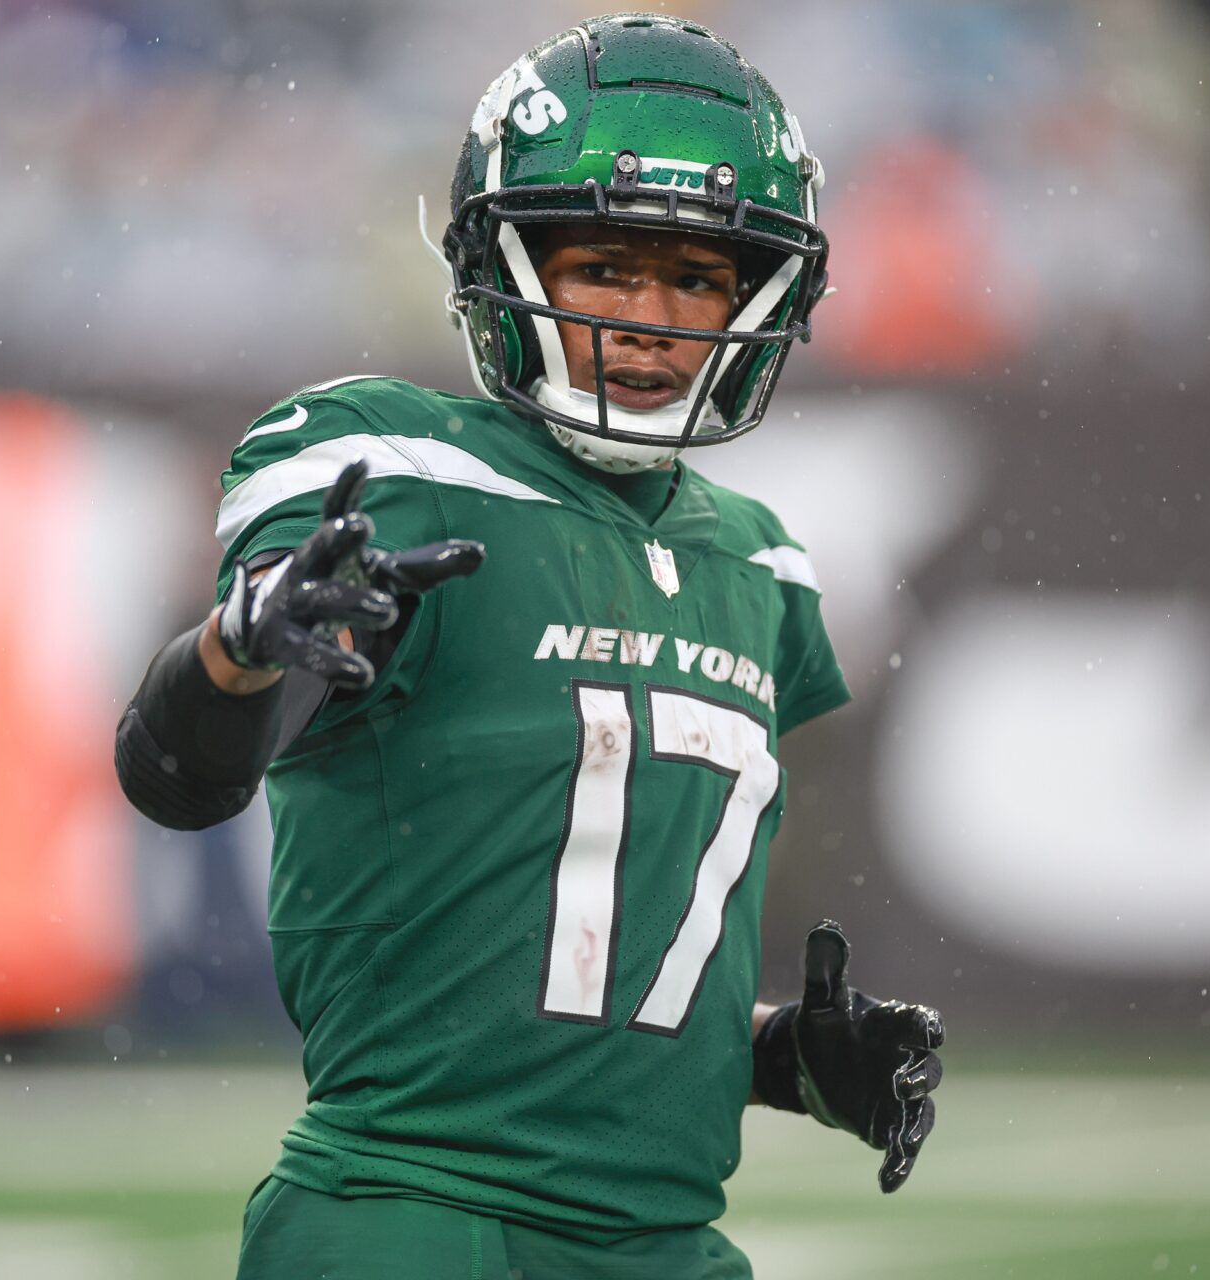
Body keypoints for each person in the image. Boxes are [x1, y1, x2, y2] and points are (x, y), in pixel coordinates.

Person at [114, 14, 944, 1278]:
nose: (656, 319)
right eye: (606, 267)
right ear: (505, 264)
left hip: (672, 1240)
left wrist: (785, 1056)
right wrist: (239, 646)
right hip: (412, 1209)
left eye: (700, 278)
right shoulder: (407, 472)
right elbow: (178, 775)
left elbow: (596, 950)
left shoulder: (760, 563)